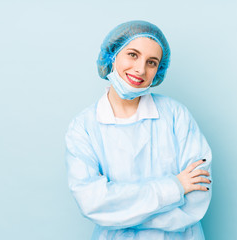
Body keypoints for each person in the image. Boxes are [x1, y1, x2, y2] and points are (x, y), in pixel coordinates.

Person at [65, 20, 212, 240]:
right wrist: (175, 187)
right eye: (133, 54)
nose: (140, 69)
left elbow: (196, 203)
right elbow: (92, 202)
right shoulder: (83, 127)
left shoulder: (176, 116)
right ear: (112, 55)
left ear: (158, 70)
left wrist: (121, 213)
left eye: (152, 62)